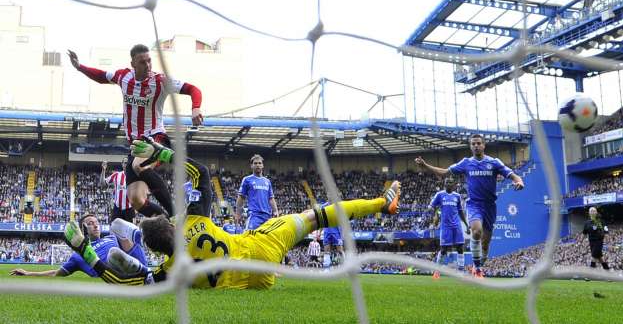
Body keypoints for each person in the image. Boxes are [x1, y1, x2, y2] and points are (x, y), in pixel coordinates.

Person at [62, 137, 402, 289]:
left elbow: (125, 279)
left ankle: (379, 203)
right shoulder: (193, 219)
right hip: (259, 248)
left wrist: (85, 250)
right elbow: (201, 174)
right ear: (170, 222)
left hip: (254, 282)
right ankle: (379, 203)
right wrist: (161, 154)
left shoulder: (170, 271)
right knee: (315, 216)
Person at [68, 45, 204, 219]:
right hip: (135, 145)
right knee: (136, 200)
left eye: (149, 61)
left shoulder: (160, 81)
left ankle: (175, 214)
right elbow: (102, 76)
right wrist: (80, 67)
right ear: (133, 63)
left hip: (156, 138)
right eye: (142, 62)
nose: (148, 65)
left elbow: (193, 89)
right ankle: (166, 222)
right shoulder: (123, 77)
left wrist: (195, 108)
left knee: (138, 165)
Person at [415, 134, 524, 278]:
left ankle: (477, 265)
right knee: (477, 231)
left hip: (490, 206)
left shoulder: (494, 162)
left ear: (484, 145)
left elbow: (512, 175)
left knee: (485, 245)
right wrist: (425, 165)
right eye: (473, 144)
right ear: (470, 146)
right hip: (474, 204)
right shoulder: (466, 163)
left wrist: (519, 181)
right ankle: (478, 269)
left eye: (479, 143)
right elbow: (445, 172)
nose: (476, 146)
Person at [10, 214, 147, 280]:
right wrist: (28, 273)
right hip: (112, 274)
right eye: (91, 223)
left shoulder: (111, 238)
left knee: (116, 223)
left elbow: (129, 249)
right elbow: (56, 273)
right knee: (113, 254)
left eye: (96, 222)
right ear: (83, 229)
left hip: (131, 264)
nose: (95, 225)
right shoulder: (77, 256)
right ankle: (146, 275)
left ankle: (146, 242)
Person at [429, 178, 469, 278]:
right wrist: (434, 213)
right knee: (443, 249)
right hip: (445, 226)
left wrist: (467, 225)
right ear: (444, 184)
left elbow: (460, 212)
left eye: (450, 182)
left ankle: (460, 271)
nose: (449, 184)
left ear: (454, 184)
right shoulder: (440, 195)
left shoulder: (457, 196)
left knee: (460, 247)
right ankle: (437, 271)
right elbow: (431, 206)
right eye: (447, 182)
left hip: (456, 225)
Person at [234, 154, 279, 230]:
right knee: (249, 238)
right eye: (255, 163)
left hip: (267, 217)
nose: (258, 165)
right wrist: (238, 214)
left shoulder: (267, 181)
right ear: (251, 166)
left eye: (259, 163)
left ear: (263, 165)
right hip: (254, 216)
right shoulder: (247, 179)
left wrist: (276, 211)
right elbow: (241, 197)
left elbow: (271, 198)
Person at [100, 158, 134, 223]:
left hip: (129, 208)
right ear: (122, 164)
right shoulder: (117, 175)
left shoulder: (134, 176)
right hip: (117, 208)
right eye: (125, 163)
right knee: (115, 228)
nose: (126, 165)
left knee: (130, 229)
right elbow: (103, 184)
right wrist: (103, 170)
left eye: (128, 163)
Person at [582, 206, 609, 271]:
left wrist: (607, 237)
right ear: (589, 213)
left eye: (594, 211)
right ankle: (608, 271)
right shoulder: (587, 223)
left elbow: (606, 230)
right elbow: (584, 233)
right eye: (591, 211)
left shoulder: (601, 221)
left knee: (593, 256)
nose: (593, 212)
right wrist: (582, 241)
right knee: (600, 258)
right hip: (591, 242)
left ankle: (591, 274)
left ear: (596, 212)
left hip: (599, 241)